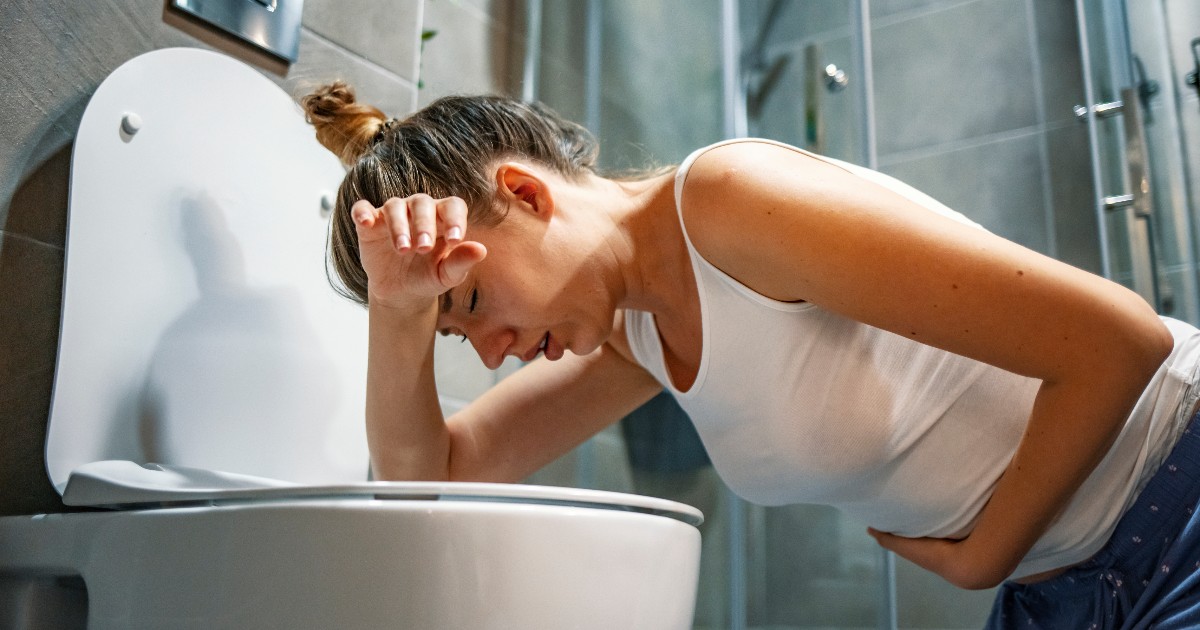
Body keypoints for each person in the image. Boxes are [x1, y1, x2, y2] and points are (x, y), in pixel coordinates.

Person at [300, 81, 1200, 627]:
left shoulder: (729, 205)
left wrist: (984, 557)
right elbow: (432, 479)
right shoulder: (634, 330)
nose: (493, 353)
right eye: (456, 333)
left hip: (1179, 494)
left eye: (474, 306)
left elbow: (1119, 340)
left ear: (527, 195)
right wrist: (401, 308)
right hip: (1075, 586)